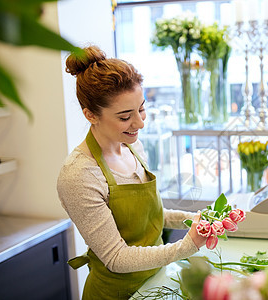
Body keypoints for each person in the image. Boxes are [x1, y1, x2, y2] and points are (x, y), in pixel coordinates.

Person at [57, 45, 207, 300]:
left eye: (141, 109)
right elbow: (116, 257)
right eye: (125, 116)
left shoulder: (132, 145)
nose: (140, 123)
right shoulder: (79, 175)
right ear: (91, 115)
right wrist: (186, 246)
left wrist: (194, 219)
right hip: (117, 293)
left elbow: (150, 215)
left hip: (157, 282)